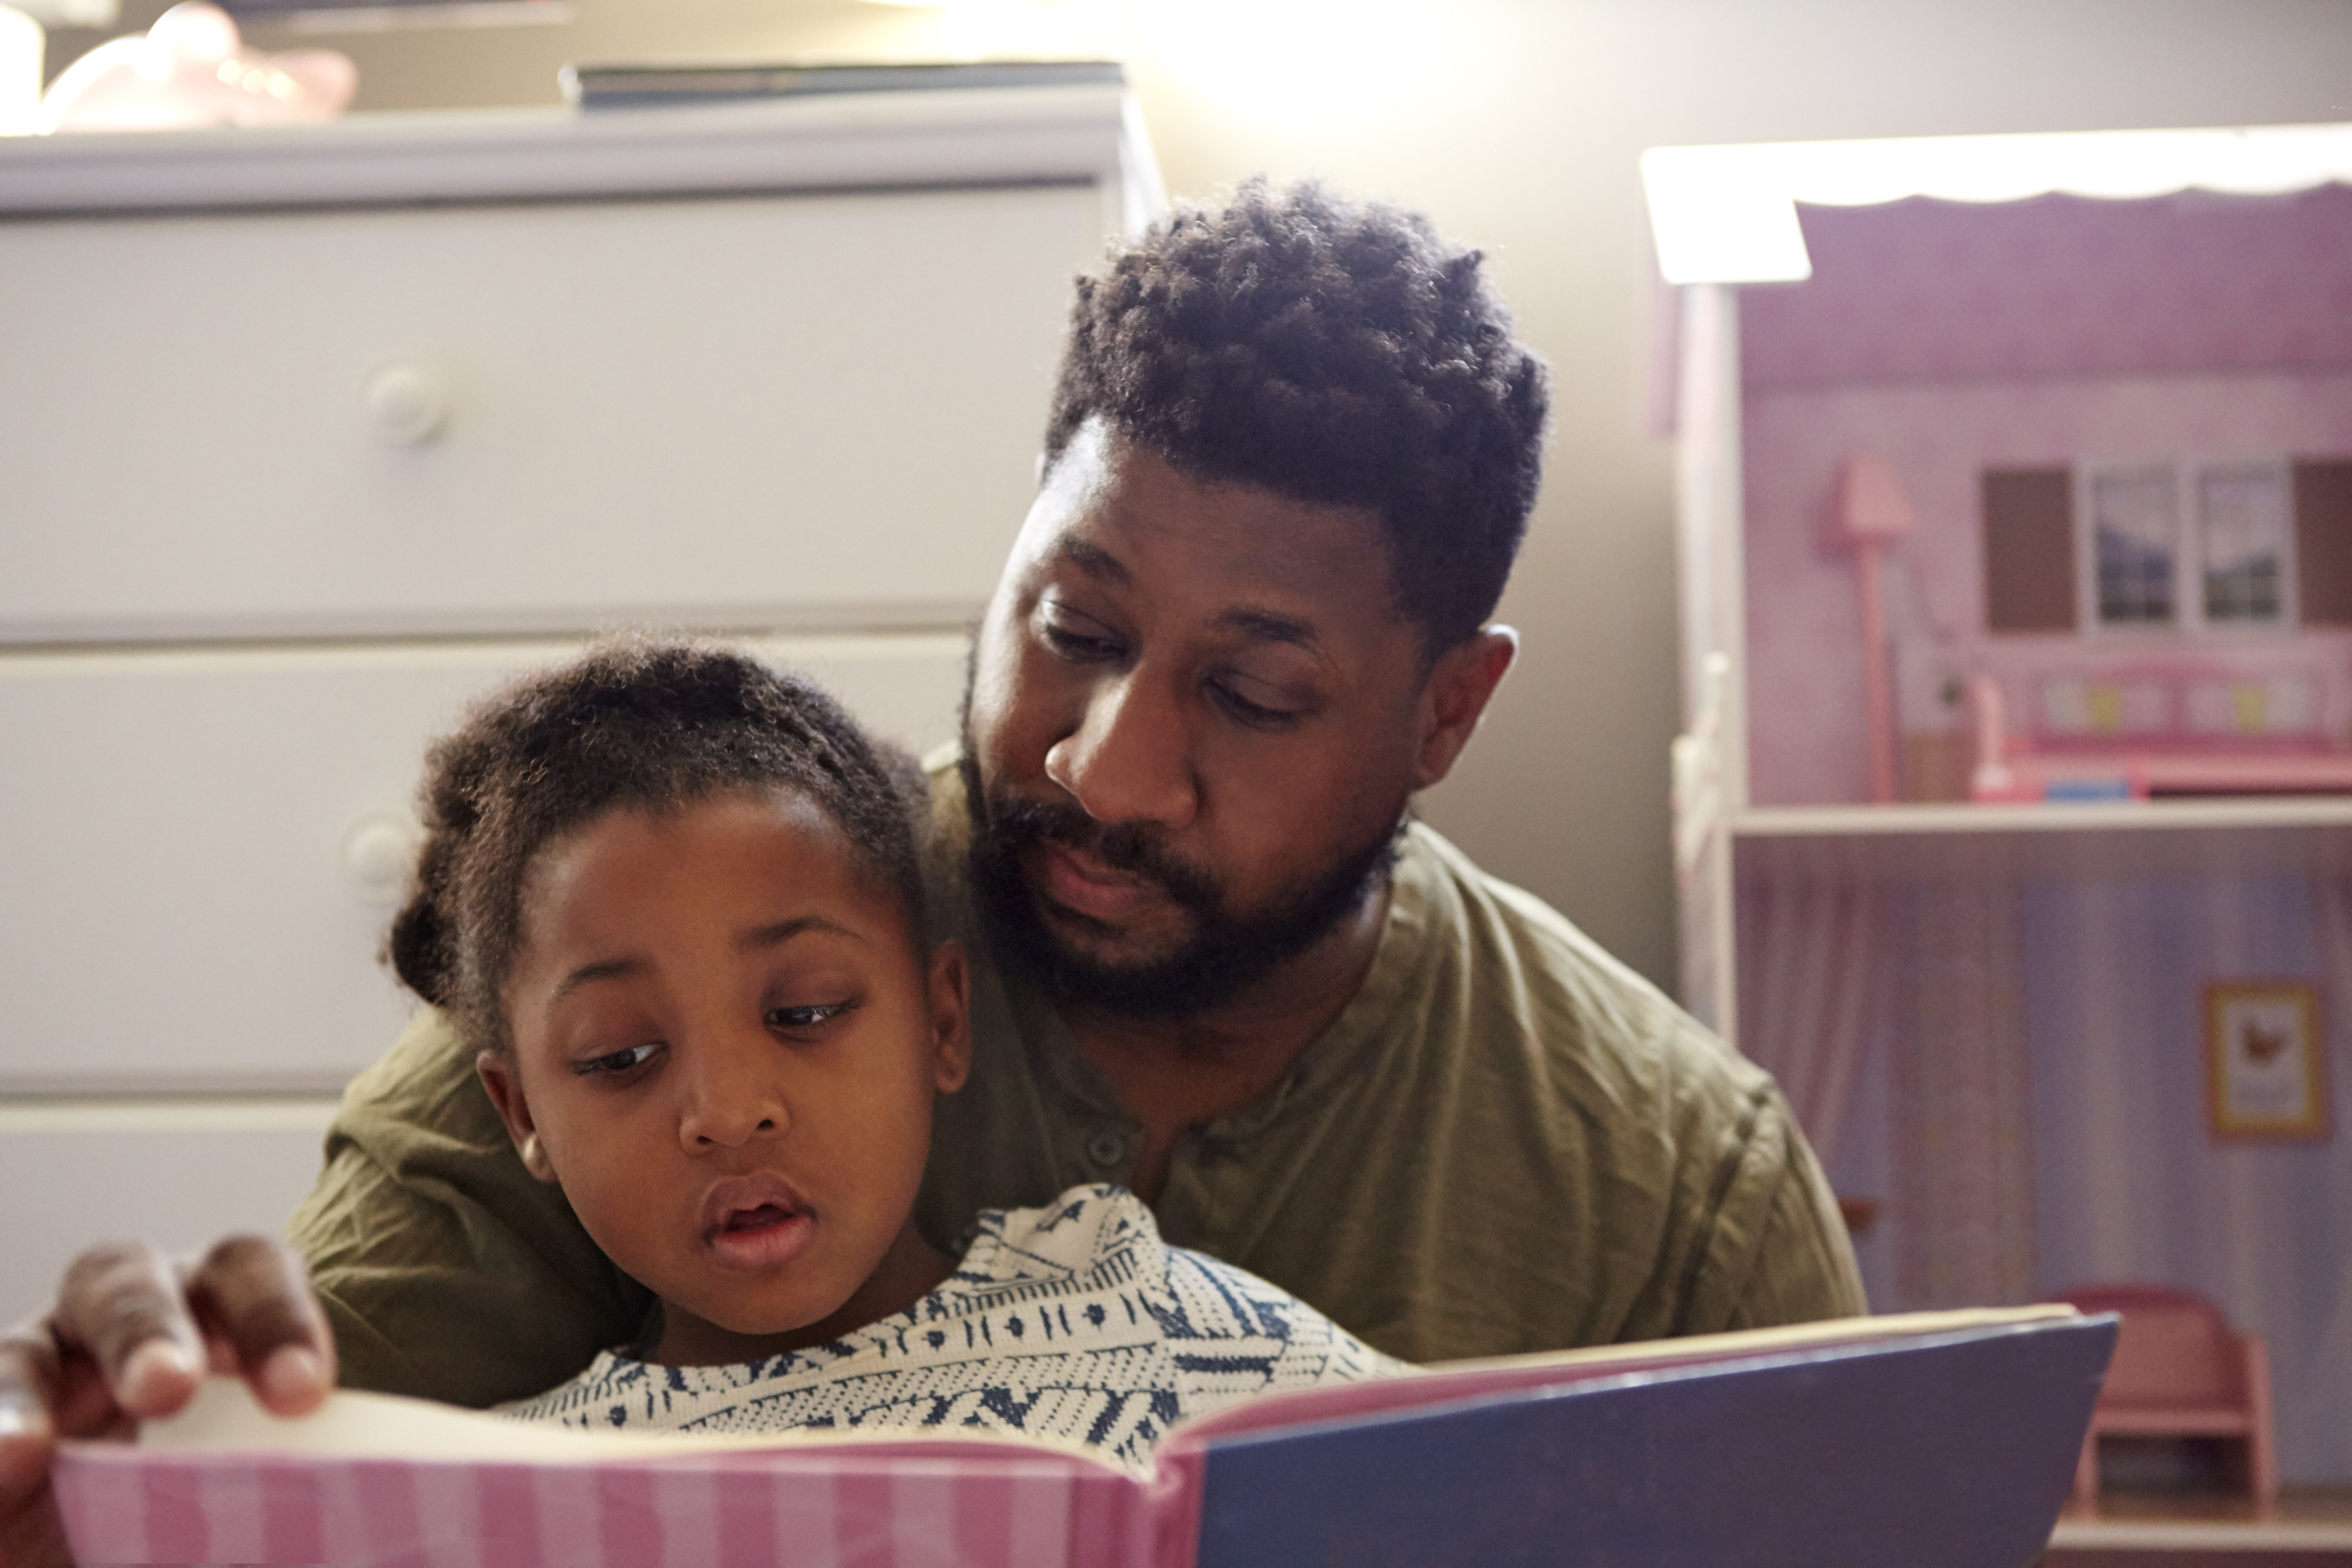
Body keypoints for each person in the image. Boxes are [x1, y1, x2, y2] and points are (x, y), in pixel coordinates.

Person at [0, 178, 1864, 1554]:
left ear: (1444, 715)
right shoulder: (678, 937)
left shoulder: (1675, 1197)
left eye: (1253, 690)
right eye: (1073, 619)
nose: (1103, 762)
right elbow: (243, 1461)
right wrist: (104, 1444)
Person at [413, 640, 1401, 1469]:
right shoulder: (513, 1488)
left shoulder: (1161, 1324)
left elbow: (1499, 1492)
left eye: (806, 1013)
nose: (729, 1109)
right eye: (624, 1056)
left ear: (941, 1023)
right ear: (523, 1114)